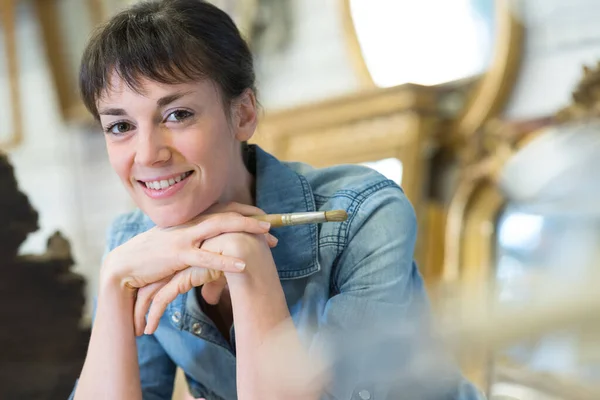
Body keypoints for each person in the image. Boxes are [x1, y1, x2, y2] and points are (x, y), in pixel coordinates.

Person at [70, 1, 484, 399]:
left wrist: (245, 260)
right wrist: (112, 282)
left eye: (177, 114)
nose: (147, 155)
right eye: (120, 125)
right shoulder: (132, 247)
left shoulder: (361, 214)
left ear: (243, 114)